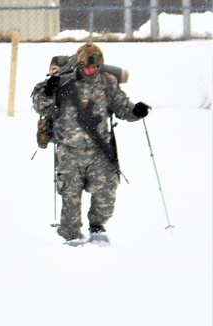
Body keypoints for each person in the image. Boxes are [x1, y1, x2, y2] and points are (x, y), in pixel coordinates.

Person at [32, 42, 149, 242]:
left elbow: (121, 107)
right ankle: (71, 235)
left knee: (106, 194)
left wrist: (135, 111)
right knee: (70, 197)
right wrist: (49, 91)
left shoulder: (107, 83)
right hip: (69, 150)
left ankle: (97, 226)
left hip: (100, 150)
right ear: (79, 65)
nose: (90, 71)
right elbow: (39, 105)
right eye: (86, 67)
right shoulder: (63, 83)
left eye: (94, 67)